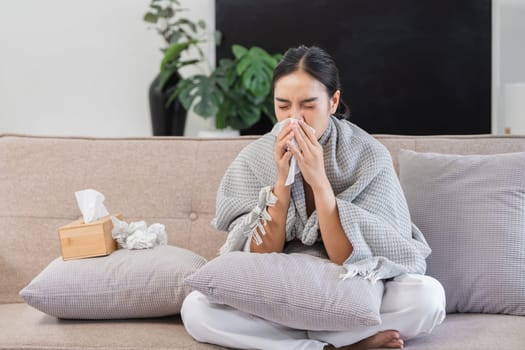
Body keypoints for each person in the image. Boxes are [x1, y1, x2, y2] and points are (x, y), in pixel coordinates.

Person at [181, 45, 446, 350]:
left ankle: (294, 343)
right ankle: (336, 346)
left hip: (348, 285)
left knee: (428, 297)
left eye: (308, 105)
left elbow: (349, 257)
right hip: (279, 289)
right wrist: (282, 181)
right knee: (197, 309)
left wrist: (319, 180)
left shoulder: (368, 156)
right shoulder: (253, 158)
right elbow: (257, 257)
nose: (294, 118)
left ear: (333, 101)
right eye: (283, 106)